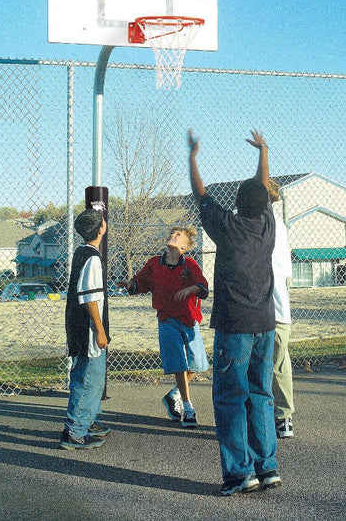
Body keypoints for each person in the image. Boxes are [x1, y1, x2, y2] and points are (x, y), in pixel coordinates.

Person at [188, 128, 282, 496]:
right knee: (261, 394)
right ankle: (267, 466)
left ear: (238, 204)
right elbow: (262, 186)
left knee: (230, 396)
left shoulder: (227, 227)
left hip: (235, 326)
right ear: (264, 206)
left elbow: (201, 195)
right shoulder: (267, 226)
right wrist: (263, 150)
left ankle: (240, 473)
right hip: (265, 323)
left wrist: (193, 158)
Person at [117, 226, 209, 428]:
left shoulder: (190, 264)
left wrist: (190, 289)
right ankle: (188, 407)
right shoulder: (154, 263)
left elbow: (203, 286)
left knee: (197, 364)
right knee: (178, 363)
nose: (172, 236)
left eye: (178, 236)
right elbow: (140, 283)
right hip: (167, 319)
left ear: (184, 246)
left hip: (189, 319)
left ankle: (174, 394)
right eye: (171, 234)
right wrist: (130, 285)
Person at [60, 208, 111, 450]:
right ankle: (75, 432)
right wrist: (100, 331)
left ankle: (88, 420)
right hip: (89, 329)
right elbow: (90, 298)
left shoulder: (81, 252)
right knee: (88, 379)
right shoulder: (92, 258)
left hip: (79, 325)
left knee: (91, 377)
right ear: (101, 229)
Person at [267, 178, 295, 438]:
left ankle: (283, 415)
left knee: (278, 361)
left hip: (275, 308)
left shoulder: (275, 225)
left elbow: (282, 271)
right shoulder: (248, 222)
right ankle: (268, 415)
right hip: (253, 307)